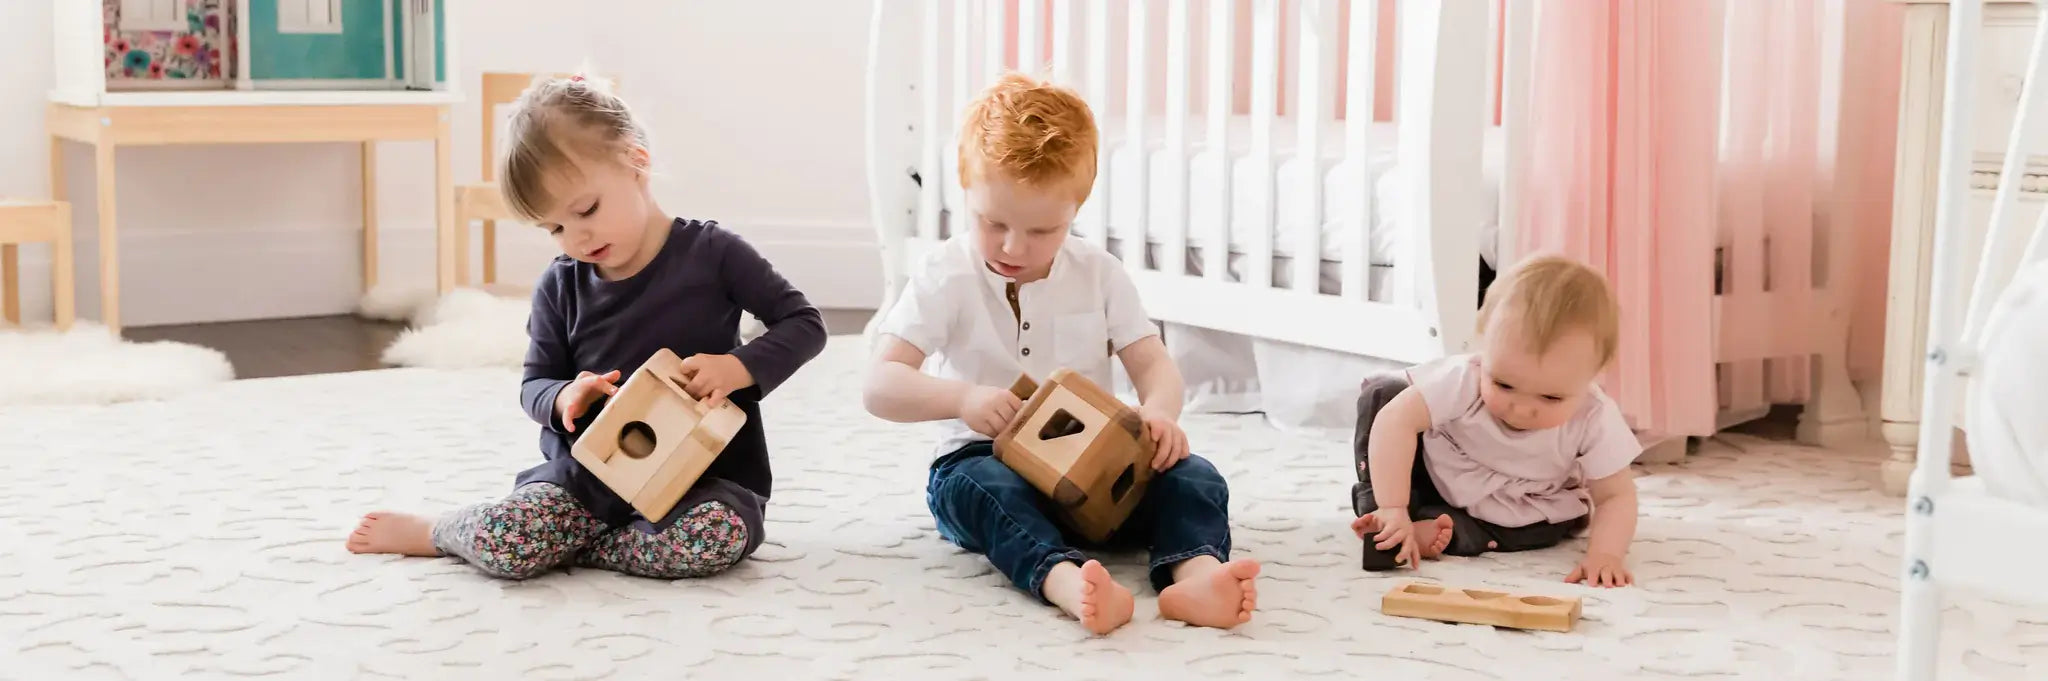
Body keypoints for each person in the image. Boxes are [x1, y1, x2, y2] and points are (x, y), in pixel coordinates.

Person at [345, 73, 827, 580]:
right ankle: (439, 531)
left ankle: (575, 549)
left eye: (586, 210)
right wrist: (562, 398)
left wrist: (738, 367)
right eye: (554, 228)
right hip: (589, 480)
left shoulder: (714, 254)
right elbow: (534, 383)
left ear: (635, 161)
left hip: (706, 477)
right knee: (507, 540)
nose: (576, 236)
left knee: (717, 538)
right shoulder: (559, 286)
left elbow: (803, 323)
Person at [862, 72, 1260, 635]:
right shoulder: (944, 273)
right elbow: (880, 386)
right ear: (964, 189)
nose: (1012, 247)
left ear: (1077, 208)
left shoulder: (1099, 272)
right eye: (992, 222)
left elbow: (1152, 365)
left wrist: (1159, 415)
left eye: (1043, 230)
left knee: (1194, 477)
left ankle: (1194, 575)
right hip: (983, 460)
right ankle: (1065, 581)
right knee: (984, 491)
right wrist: (963, 398)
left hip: (1101, 472)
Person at [1351, 255, 1640, 588]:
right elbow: (1396, 422)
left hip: (1520, 506)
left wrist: (1606, 555)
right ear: (1483, 344)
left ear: (1594, 375)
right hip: (1440, 472)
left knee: (1544, 527)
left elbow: (1615, 497)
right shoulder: (1465, 378)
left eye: (1550, 398)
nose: (1520, 408)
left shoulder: (1594, 416)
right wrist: (1392, 504)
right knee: (1384, 397)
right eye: (1503, 384)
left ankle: (1441, 529)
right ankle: (1388, 520)